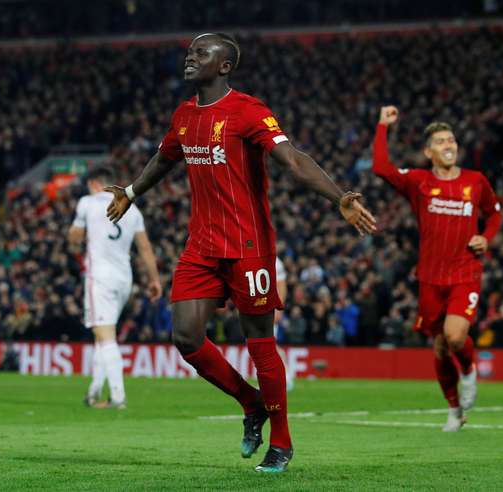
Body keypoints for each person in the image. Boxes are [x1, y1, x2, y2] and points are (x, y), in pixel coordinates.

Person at [106, 33, 376, 472]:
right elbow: (164, 157)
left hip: (248, 246)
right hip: (201, 245)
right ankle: (251, 402)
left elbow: (293, 159)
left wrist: (338, 196)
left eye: (201, 53)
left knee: (259, 344)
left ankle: (282, 442)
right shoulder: (184, 115)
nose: (191, 58)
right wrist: (132, 192)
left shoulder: (248, 110)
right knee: (186, 337)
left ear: (225, 66)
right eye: (191, 52)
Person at [373, 106, 502, 432]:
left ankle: (470, 372)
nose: (449, 145)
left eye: (452, 140)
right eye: (441, 141)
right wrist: (382, 127)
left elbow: (495, 214)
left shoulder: (476, 181)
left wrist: (486, 238)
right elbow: (381, 167)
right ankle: (455, 409)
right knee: (441, 346)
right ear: (428, 151)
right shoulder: (419, 181)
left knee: (455, 336)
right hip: (430, 278)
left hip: (465, 273)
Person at [68, 167, 162, 409]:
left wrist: (74, 241)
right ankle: (93, 392)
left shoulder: (87, 203)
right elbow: (145, 248)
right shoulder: (133, 209)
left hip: (99, 277)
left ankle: (118, 397)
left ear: (94, 183)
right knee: (103, 333)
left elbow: (75, 238)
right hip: (124, 279)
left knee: (105, 336)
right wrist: (154, 280)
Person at [274, 256, 295, 391]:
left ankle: (286, 377)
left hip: (269, 308)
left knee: (269, 345)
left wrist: (278, 308)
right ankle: (284, 377)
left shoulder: (275, 261)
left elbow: (281, 285)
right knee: (267, 345)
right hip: (256, 307)